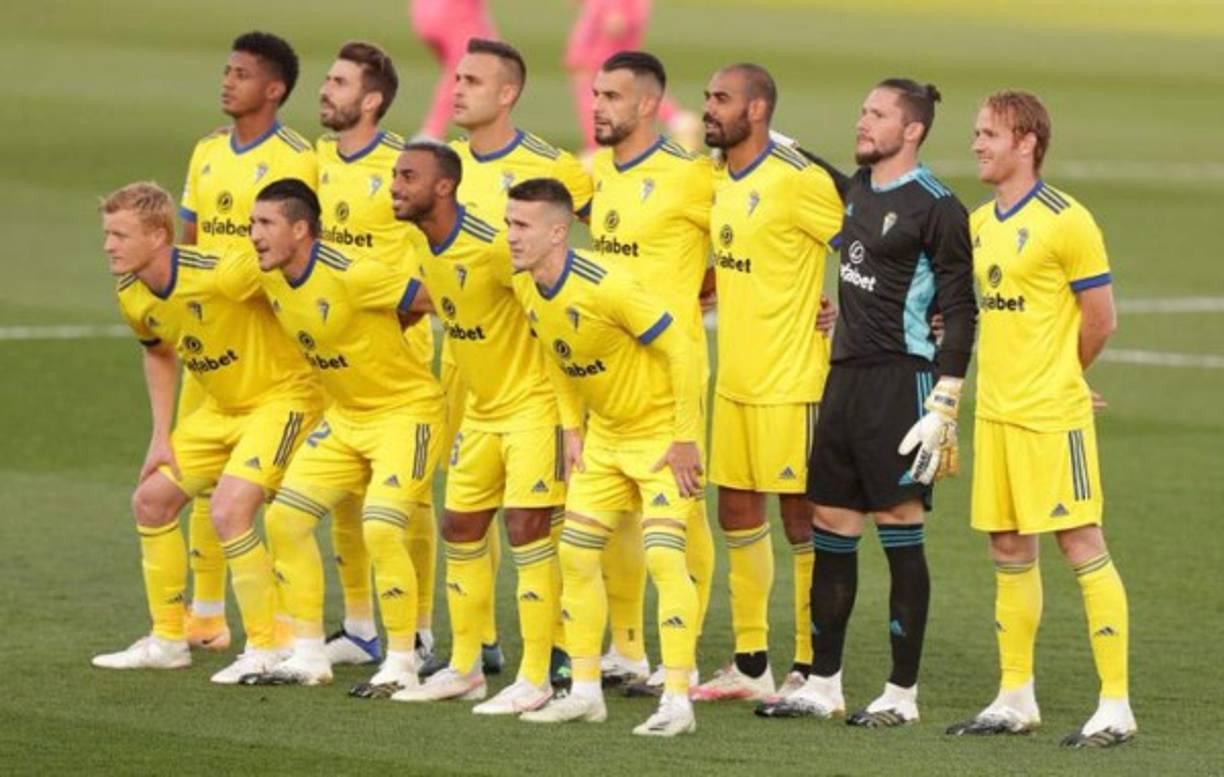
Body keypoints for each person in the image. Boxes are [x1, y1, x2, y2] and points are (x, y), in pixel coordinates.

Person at [758, 79, 977, 725]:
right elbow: (834, 192)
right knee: (830, 521)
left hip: (902, 382)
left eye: (877, 115)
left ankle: (901, 696)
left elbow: (961, 308)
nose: (863, 121)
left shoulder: (938, 207)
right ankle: (824, 682)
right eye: (862, 110)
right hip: (845, 378)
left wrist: (946, 396)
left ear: (911, 130)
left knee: (898, 526)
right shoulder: (857, 190)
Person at [946, 90, 1133, 748]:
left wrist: (1066, 377)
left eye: (989, 133)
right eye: (977, 132)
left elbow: (1101, 317)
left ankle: (1115, 704)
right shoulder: (977, 223)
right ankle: (1014, 695)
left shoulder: (1067, 219)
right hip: (994, 413)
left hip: (1050, 415)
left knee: (1080, 540)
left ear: (1027, 142)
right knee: (1006, 546)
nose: (977, 144)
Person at [92, 182, 322, 683]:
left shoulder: (223, 271)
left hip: (282, 399)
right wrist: (161, 434)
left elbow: (299, 269)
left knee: (229, 508)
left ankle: (269, 643)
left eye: (119, 234)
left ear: (158, 236)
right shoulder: (132, 293)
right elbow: (157, 351)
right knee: (150, 501)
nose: (108, 245)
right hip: (221, 410)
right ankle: (168, 639)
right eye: (107, 234)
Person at [507, 178, 702, 737]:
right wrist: (572, 429)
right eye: (508, 224)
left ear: (557, 232)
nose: (511, 237)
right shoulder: (528, 288)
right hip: (606, 441)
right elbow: (558, 356)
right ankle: (586, 692)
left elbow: (681, 349)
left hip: (662, 436)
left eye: (522, 226)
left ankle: (677, 701)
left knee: (665, 559)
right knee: (575, 556)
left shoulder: (607, 285)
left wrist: (685, 436)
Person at [388, 143, 579, 713]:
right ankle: (466, 666)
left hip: (533, 409)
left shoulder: (497, 249)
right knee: (461, 528)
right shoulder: (422, 244)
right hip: (481, 411)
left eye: (407, 177)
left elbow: (554, 313)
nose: (394, 186)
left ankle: (537, 675)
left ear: (442, 188)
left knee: (527, 530)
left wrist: (571, 423)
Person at [236, 179, 444, 696]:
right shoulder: (272, 276)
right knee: (285, 518)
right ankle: (308, 656)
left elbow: (437, 299)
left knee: (380, 527)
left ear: (301, 229)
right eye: (252, 223)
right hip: (346, 419)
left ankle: (401, 661)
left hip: (406, 414)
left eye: (266, 224)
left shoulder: (354, 274)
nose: (253, 234)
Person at [447, 37, 596, 682]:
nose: (456, 89)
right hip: (461, 364)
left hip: (537, 372)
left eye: (473, 80)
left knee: (538, 515)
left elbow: (615, 237)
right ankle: (474, 643)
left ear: (507, 93)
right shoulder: (444, 167)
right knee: (464, 511)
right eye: (456, 78)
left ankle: (562, 643)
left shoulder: (553, 167)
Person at [695, 63, 842, 704]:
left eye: (721, 99)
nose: (708, 108)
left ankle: (810, 664)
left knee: (800, 517)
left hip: (793, 382)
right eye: (707, 97)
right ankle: (750, 664)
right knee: (735, 511)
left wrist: (845, 306)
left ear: (756, 111)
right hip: (735, 382)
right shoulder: (718, 179)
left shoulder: (799, 182)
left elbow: (867, 243)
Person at [176, 31, 317, 650]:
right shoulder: (206, 150)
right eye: (225, 70)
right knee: (199, 479)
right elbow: (189, 237)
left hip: (270, 349)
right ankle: (205, 615)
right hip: (206, 345)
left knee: (269, 487)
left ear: (274, 89)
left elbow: (299, 253)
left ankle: (282, 622)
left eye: (241, 73)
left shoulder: (296, 157)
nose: (226, 81)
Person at [585, 50, 715, 695]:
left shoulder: (691, 176)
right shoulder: (598, 175)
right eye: (595, 94)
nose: (597, 106)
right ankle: (629, 650)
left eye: (610, 96)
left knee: (680, 518)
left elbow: (743, 242)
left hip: (671, 375)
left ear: (645, 105)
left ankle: (686, 663)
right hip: (609, 380)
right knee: (617, 520)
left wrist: (815, 306)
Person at [311, 40, 440, 674]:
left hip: (397, 352)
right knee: (342, 491)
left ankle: (417, 631)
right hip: (331, 354)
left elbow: (438, 242)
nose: (324, 90)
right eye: (326, 80)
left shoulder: (403, 165)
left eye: (337, 82)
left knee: (405, 498)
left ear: (372, 100)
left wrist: (409, 305)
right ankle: (360, 625)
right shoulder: (315, 161)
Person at [565, 0, 700, 151]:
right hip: (593, 63)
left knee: (603, 102)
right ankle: (678, 119)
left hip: (598, 62)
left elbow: (616, 24)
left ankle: (677, 120)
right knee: (625, 93)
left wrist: (607, 17)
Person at [408, 0, 498, 141]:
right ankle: (431, 135)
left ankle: (481, 129)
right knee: (472, 69)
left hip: (425, 11)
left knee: (476, 70)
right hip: (454, 13)